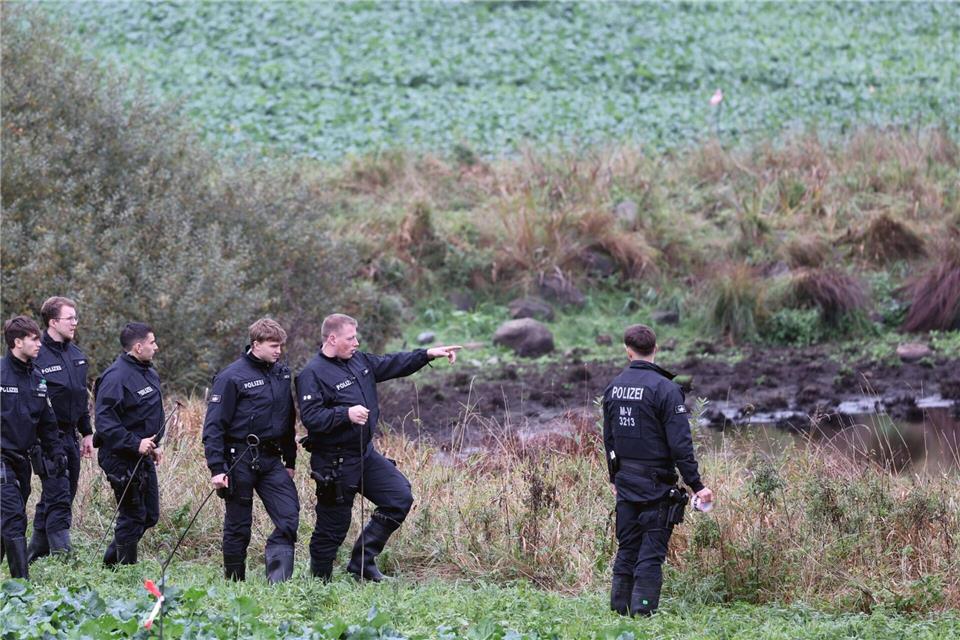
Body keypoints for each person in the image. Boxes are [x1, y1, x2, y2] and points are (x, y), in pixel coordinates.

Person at [296, 313, 461, 581]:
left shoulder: (359, 361)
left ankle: (362, 565)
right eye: (351, 338)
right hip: (334, 462)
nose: (356, 342)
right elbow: (311, 418)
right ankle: (319, 583)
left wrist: (428, 354)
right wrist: (344, 414)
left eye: (356, 337)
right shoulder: (311, 374)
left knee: (398, 498)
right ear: (332, 338)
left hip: (364, 455)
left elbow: (393, 363)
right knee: (333, 527)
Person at [602, 324, 713, 617]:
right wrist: (697, 485)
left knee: (627, 548)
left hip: (625, 483)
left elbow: (609, 440)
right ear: (656, 348)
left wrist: (614, 477)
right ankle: (643, 611)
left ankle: (619, 610)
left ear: (627, 350)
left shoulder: (614, 387)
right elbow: (680, 445)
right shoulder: (665, 388)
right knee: (650, 553)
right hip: (656, 486)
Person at [202, 318, 300, 584]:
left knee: (289, 516)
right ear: (255, 344)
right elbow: (213, 427)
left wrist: (290, 460)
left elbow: (287, 419)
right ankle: (235, 583)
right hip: (238, 458)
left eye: (281, 345)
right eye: (273, 345)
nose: (278, 351)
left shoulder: (282, 374)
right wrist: (217, 468)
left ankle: (277, 581)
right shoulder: (231, 377)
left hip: (271, 459)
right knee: (238, 526)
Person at [93, 322, 164, 566]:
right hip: (119, 456)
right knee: (132, 515)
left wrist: (155, 444)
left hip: (142, 455)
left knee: (150, 515)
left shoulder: (148, 372)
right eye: (152, 342)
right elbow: (104, 423)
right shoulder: (116, 377)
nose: (156, 347)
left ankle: (111, 563)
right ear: (138, 346)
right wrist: (135, 443)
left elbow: (148, 414)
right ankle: (124, 571)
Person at [28, 296, 93, 561]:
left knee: (65, 493)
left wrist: (87, 431)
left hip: (71, 435)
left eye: (76, 318)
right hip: (46, 439)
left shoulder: (77, 356)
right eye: (70, 318)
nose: (75, 323)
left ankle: (34, 553)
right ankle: (63, 557)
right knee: (58, 494)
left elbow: (80, 397)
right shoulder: (37, 355)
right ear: (53, 322)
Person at [1, 316, 65, 579]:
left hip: (22, 459)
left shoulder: (38, 378)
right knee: (15, 518)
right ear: (18, 342)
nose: (40, 344)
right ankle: (21, 587)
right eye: (34, 339)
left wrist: (56, 452)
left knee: (6, 521)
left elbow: (47, 423)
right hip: (1, 458)